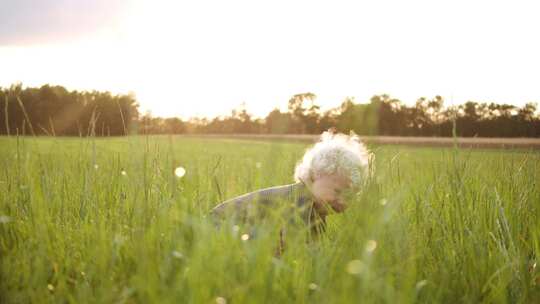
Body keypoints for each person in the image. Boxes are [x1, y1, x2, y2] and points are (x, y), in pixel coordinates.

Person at [210, 130, 372, 246]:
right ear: (314, 176)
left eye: (349, 196)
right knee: (270, 241)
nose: (342, 200)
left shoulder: (316, 213)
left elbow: (313, 244)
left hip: (237, 230)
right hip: (218, 226)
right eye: (337, 191)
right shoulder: (296, 202)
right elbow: (299, 249)